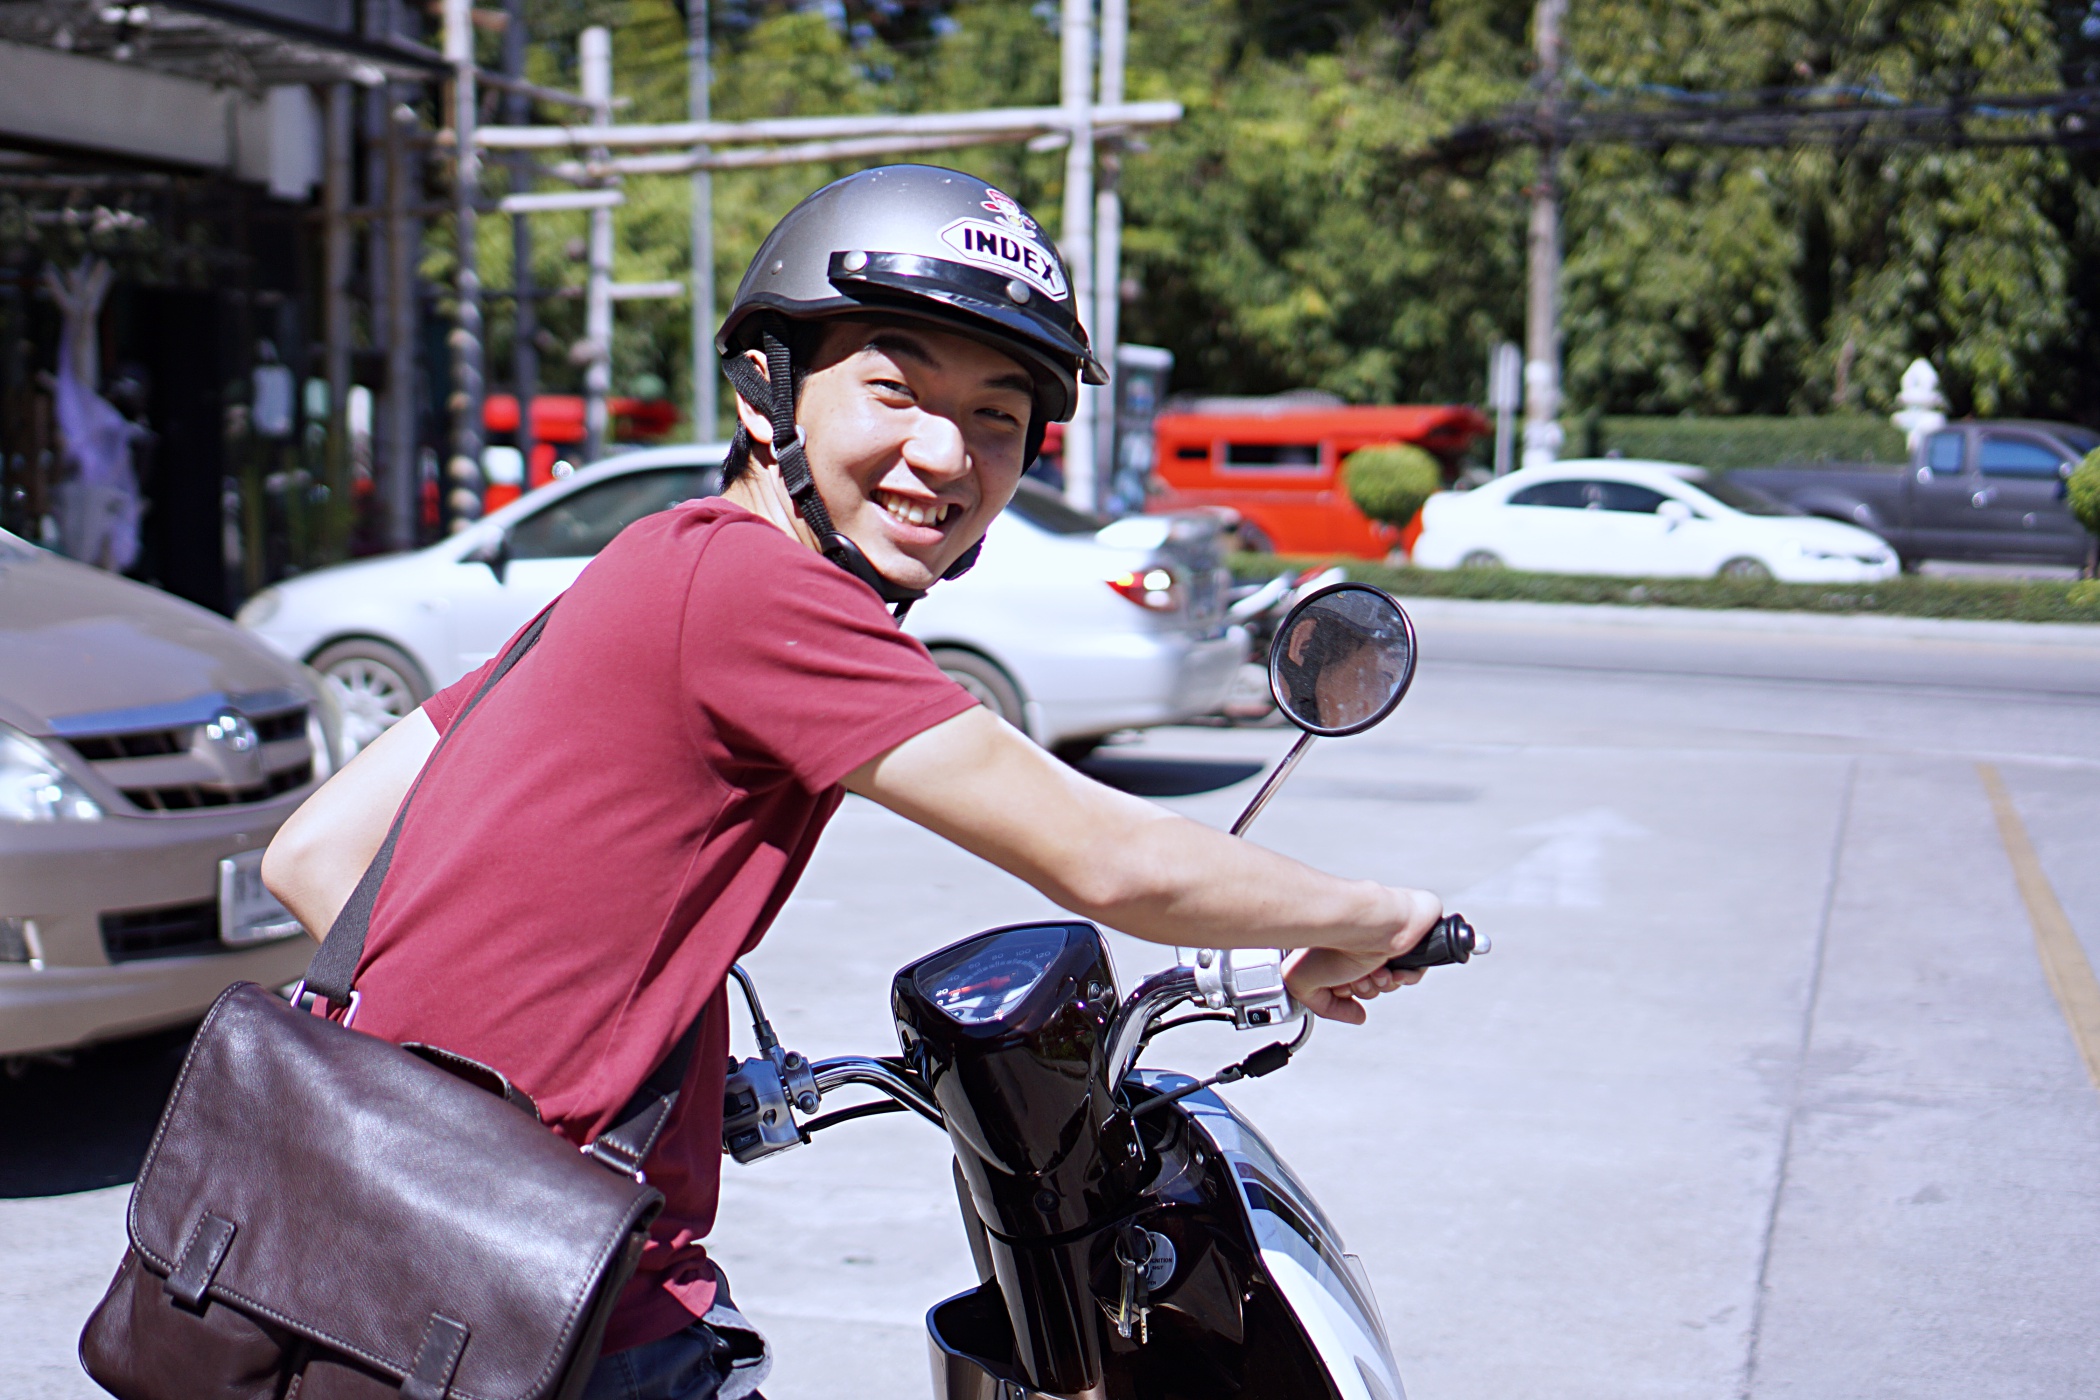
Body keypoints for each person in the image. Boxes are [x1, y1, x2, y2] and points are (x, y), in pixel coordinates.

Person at [262, 166, 1442, 1400]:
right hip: (554, 1311)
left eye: (997, 415)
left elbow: (317, 851)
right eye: (896, 389)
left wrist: (593, 1054)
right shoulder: (763, 591)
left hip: (382, 1274)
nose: (945, 451)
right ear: (765, 388)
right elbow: (1112, 860)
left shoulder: (655, 559)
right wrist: (1382, 915)